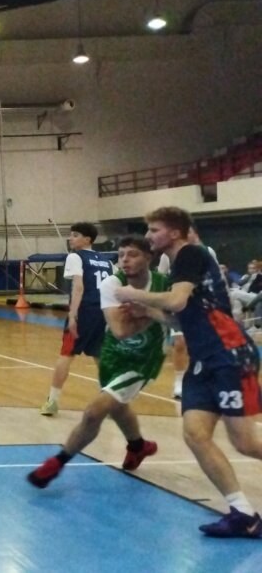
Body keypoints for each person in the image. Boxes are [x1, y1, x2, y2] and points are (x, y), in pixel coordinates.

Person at [116, 207, 262, 538]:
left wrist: (132, 293)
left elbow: (178, 301)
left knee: (246, 443)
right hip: (204, 359)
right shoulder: (179, 264)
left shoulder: (190, 253)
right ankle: (243, 514)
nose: (149, 236)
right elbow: (180, 317)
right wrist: (147, 311)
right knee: (195, 434)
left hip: (228, 355)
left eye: (154, 230)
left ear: (174, 233)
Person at [28, 236, 169, 488]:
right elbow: (120, 331)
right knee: (117, 406)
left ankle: (57, 463)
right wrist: (155, 313)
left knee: (95, 412)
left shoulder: (163, 284)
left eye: (132, 254)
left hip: (143, 358)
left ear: (148, 257)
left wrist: (145, 310)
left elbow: (178, 319)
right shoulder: (112, 284)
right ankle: (138, 445)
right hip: (113, 352)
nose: (125, 260)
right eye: (121, 254)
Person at [41, 222, 114, 416]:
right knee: (101, 357)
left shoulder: (75, 256)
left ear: (87, 239)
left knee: (66, 354)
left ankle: (52, 402)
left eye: (75, 235)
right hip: (103, 312)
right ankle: (110, 404)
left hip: (84, 311)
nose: (70, 238)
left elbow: (79, 287)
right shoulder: (106, 261)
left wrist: (73, 315)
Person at [157, 227, 217, 399]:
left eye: (188, 232)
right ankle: (179, 381)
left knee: (205, 344)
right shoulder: (167, 255)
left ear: (195, 234)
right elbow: (160, 277)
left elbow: (215, 277)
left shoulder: (207, 251)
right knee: (180, 343)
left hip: (203, 303)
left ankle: (206, 380)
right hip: (180, 303)